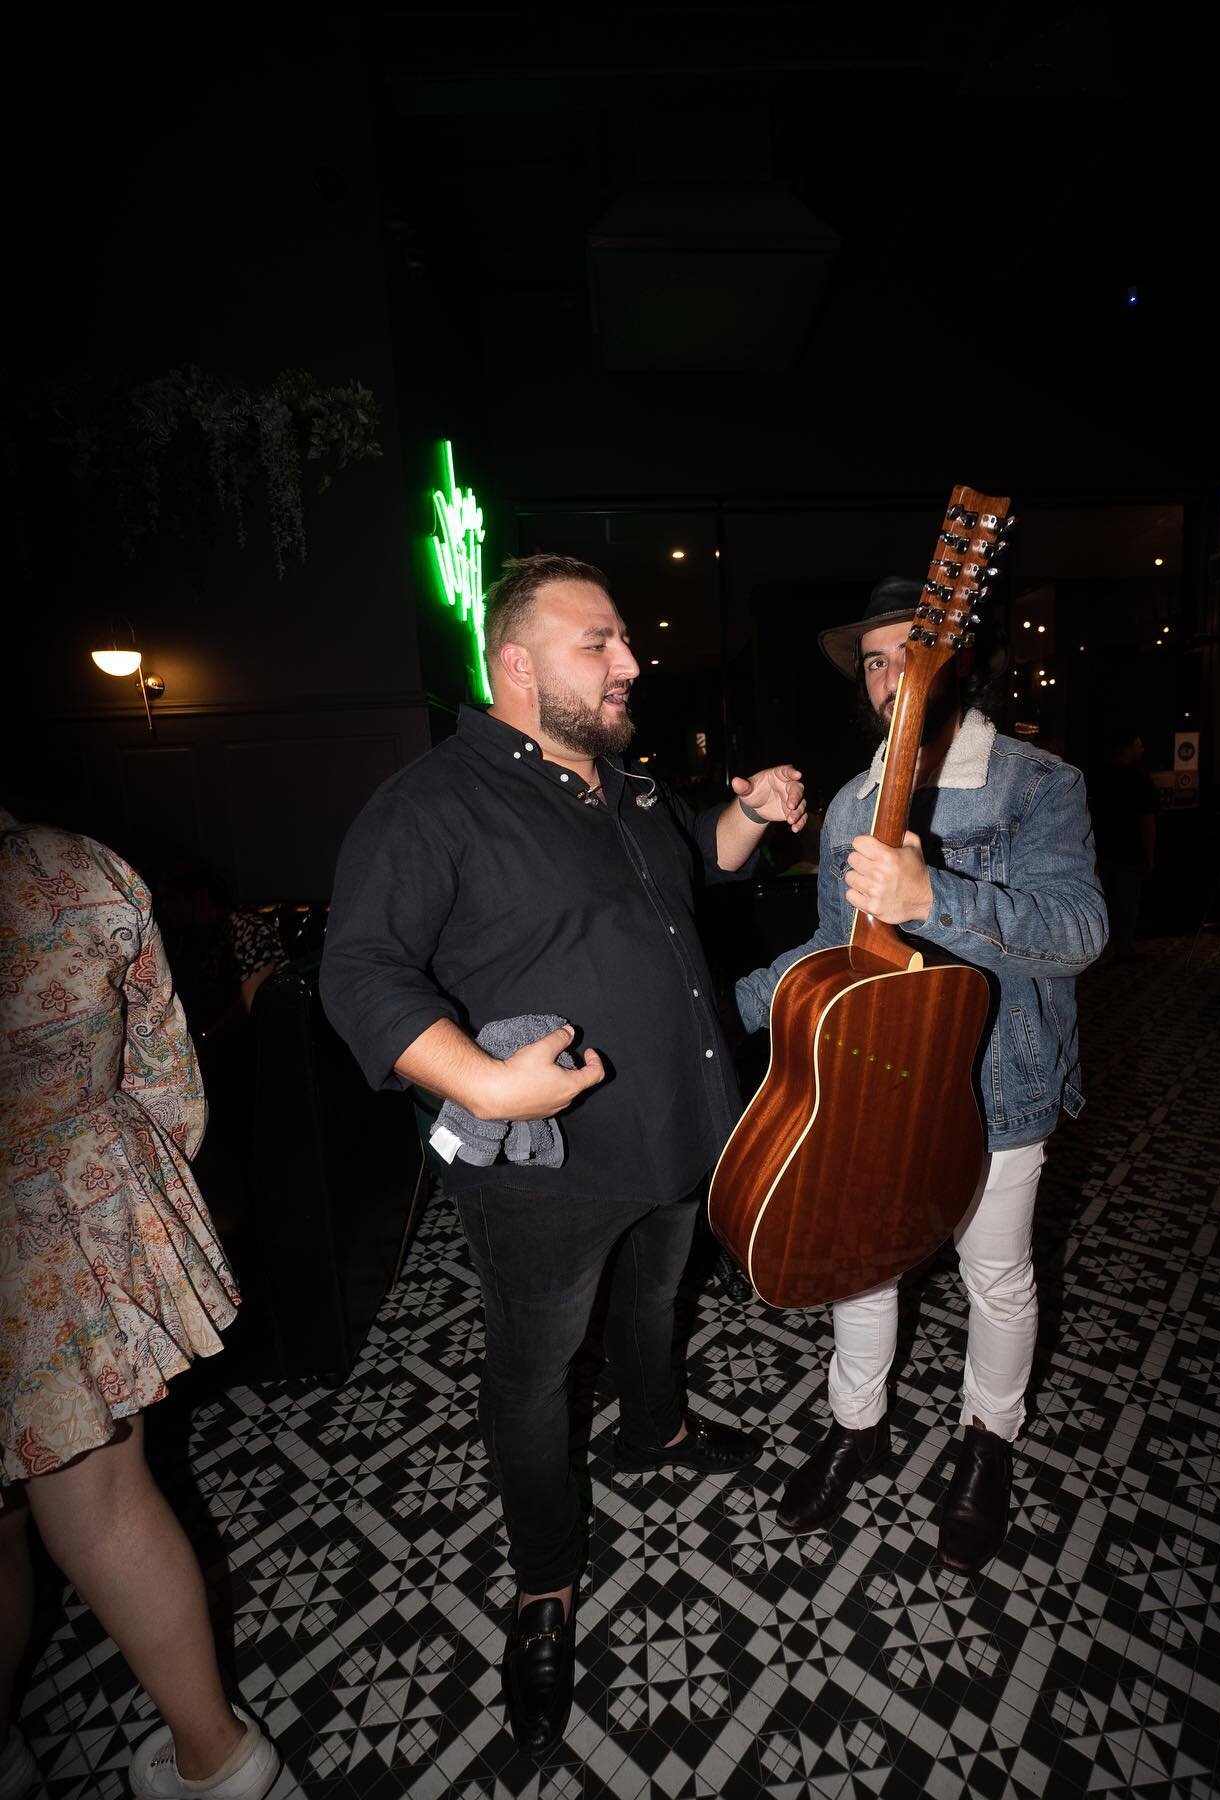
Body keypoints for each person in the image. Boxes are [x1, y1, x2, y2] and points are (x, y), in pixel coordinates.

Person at [319, 553, 806, 1756]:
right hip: (541, 1168)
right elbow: (359, 969)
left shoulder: (630, 790)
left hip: (677, 1127)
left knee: (655, 1299)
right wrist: (483, 1079)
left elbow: (693, 863)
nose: (632, 662)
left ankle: (655, 1430)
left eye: (626, 640)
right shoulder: (432, 805)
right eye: (601, 642)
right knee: (534, 1373)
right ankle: (544, 1582)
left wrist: (746, 815)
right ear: (517, 663)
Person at [734, 578, 1107, 1572]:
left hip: (998, 1084)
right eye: (874, 658)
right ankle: (858, 1426)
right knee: (861, 1263)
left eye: (914, 651)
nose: (892, 674)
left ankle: (988, 1445)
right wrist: (725, 1002)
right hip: (873, 1075)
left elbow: (1077, 933)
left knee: (996, 1275)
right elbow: (831, 942)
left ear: (957, 664)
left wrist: (932, 892)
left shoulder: (1036, 782)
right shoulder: (852, 800)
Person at [0, 812, 279, 1800]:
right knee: (103, 1499)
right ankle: (220, 1757)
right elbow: (166, 1075)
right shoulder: (68, 868)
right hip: (71, 1200)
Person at [1088, 726, 1158, 961]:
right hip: (1128, 850)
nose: (1142, 750)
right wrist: (1149, 854)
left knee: (1107, 902)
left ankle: (1107, 948)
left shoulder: (1099, 777)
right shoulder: (1139, 779)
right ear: (1127, 748)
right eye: (1138, 745)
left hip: (1105, 849)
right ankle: (1123, 947)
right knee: (1126, 902)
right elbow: (1146, 820)